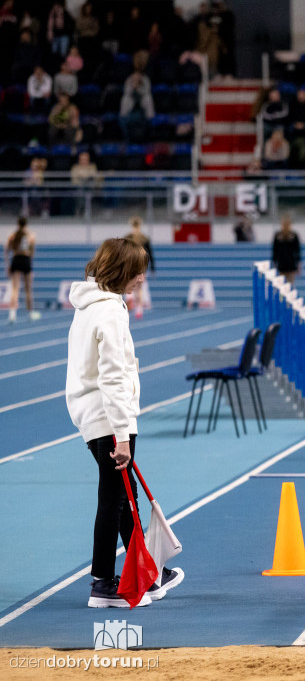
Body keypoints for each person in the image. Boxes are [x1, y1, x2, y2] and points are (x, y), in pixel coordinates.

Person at [65, 238, 184, 608]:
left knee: (122, 494)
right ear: (122, 272)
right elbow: (113, 377)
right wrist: (122, 435)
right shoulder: (110, 312)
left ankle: (146, 571)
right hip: (109, 418)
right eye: (138, 271)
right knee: (114, 499)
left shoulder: (90, 306)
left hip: (95, 415)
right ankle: (102, 584)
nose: (143, 278)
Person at [5, 217, 40, 323]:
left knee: (15, 289)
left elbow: (6, 250)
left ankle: (12, 314)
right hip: (26, 260)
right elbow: (32, 252)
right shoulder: (30, 235)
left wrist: (8, 265)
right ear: (26, 224)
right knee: (28, 289)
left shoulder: (13, 235)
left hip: (16, 259)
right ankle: (30, 313)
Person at [271, 215, 301, 285]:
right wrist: (274, 264)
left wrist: (298, 266)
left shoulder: (294, 235)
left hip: (291, 265)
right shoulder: (278, 236)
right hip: (281, 265)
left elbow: (297, 251)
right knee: (281, 285)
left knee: (290, 285)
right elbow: (274, 251)